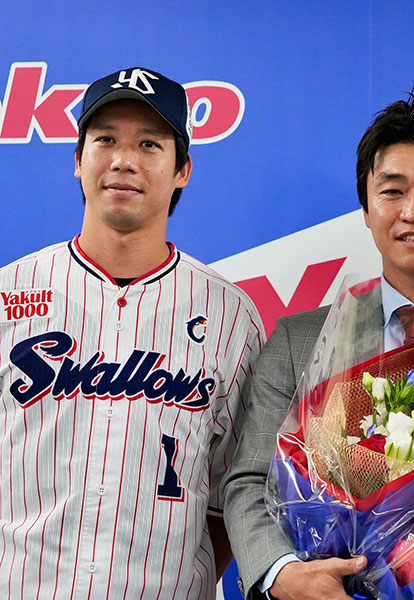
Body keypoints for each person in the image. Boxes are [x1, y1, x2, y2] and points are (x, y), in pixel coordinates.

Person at [223, 90, 414, 600]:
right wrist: (282, 572)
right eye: (392, 192)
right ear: (367, 209)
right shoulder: (299, 341)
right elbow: (248, 483)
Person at [0, 67, 264, 599]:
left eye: (149, 143)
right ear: (78, 160)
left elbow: (236, 490)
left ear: (182, 169)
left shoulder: (231, 315)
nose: (124, 159)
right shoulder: (9, 292)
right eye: (105, 140)